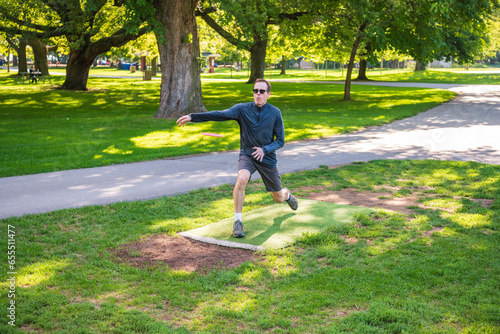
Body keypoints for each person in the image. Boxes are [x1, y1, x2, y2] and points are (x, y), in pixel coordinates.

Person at [176, 78, 298, 238]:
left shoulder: (275, 112)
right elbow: (219, 115)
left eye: (262, 91)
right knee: (241, 179)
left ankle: (287, 194)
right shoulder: (242, 109)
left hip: (267, 159)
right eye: (256, 91)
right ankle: (238, 222)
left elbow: (280, 140)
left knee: (278, 198)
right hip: (247, 155)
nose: (258, 94)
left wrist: (265, 149)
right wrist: (193, 117)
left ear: (268, 94)